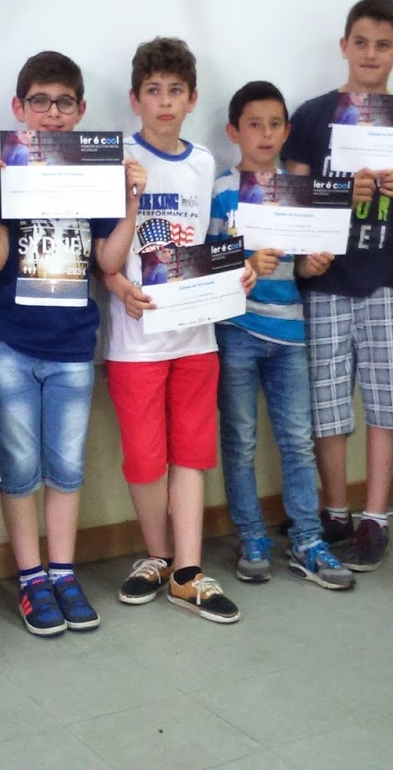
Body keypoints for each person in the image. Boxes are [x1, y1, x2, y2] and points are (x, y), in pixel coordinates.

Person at [0, 50, 139, 636]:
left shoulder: (96, 175)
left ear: (81, 111)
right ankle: (31, 579)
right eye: (40, 102)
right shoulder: (4, 171)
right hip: (9, 341)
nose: (52, 113)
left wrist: (131, 200)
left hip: (72, 343)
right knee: (19, 467)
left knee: (67, 467)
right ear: (19, 108)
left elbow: (108, 262)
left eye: (63, 103)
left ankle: (64, 573)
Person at [99, 37, 255, 623]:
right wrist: (121, 286)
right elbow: (104, 259)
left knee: (191, 452)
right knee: (144, 457)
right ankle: (157, 556)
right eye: (153, 91)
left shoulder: (203, 163)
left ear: (192, 99)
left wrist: (237, 272)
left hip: (195, 336)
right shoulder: (117, 159)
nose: (164, 102)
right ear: (134, 99)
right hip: (135, 340)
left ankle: (188, 571)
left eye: (175, 91)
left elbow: (213, 243)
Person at [280, 0, 393, 571]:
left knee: (387, 400)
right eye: (361, 42)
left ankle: (375, 515)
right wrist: (341, 195)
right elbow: (292, 203)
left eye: (383, 45)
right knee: (326, 401)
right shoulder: (313, 115)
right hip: (326, 279)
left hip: (388, 277)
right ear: (344, 46)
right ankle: (336, 510)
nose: (371, 54)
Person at [208, 79, 354, 590]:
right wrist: (244, 263)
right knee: (240, 440)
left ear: (287, 131)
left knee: (297, 441)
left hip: (290, 332)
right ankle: (251, 536)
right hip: (237, 331)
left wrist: (313, 265)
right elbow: (205, 262)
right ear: (234, 132)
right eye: (254, 125)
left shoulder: (300, 192)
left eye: (274, 125)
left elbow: (304, 268)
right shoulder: (223, 190)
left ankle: (308, 540)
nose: (265, 134)